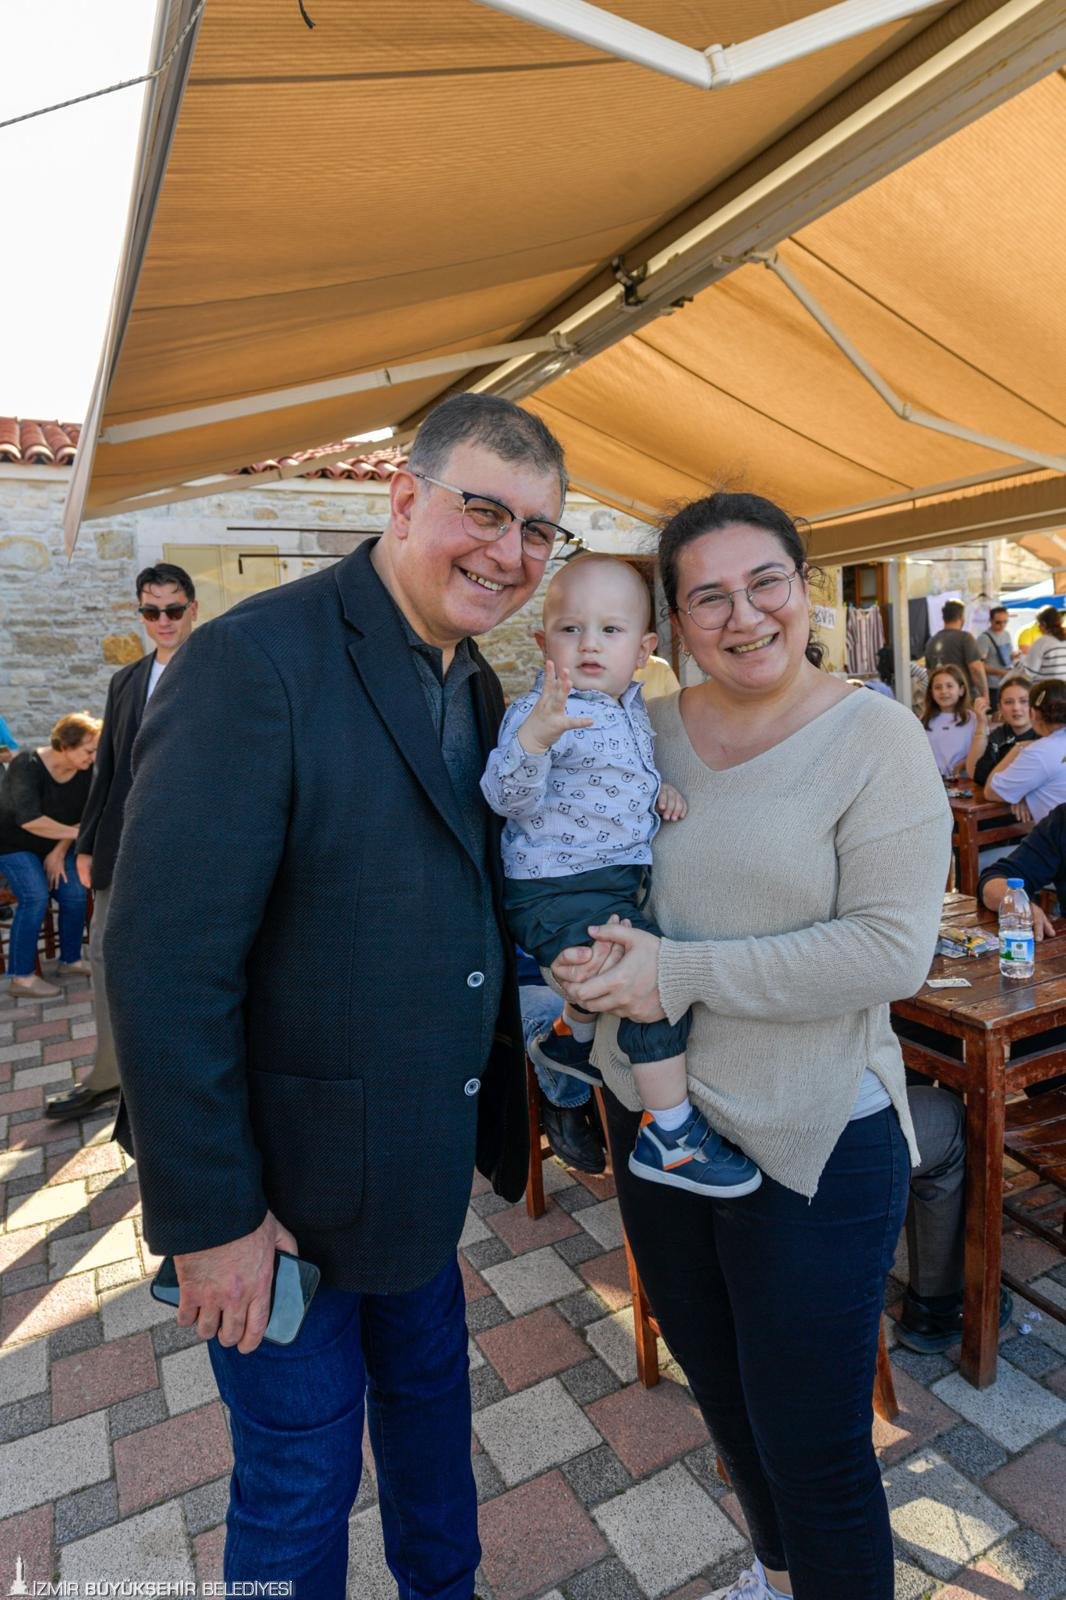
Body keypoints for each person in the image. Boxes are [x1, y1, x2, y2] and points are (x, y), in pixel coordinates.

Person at [104, 393, 573, 1600]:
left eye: (538, 530)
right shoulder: (251, 659)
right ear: (403, 498)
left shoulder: (476, 683)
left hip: (416, 1183)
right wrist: (211, 1217)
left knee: (432, 1442)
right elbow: (161, 965)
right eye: (485, 511)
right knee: (298, 1489)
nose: (510, 552)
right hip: (279, 1212)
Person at [550, 491, 950, 1600]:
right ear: (673, 623)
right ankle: (776, 1581)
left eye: (765, 582)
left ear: (804, 587)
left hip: (811, 1135)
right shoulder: (644, 726)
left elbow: (890, 952)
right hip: (660, 1122)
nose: (744, 614)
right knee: (723, 1396)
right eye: (708, 596)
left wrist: (673, 972)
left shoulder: (875, 737)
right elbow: (577, 856)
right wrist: (574, 957)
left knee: (814, 1443)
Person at [481, 552, 760, 1198]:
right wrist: (535, 740)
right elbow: (505, 797)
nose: (588, 644)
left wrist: (657, 791)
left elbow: (611, 779)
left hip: (605, 882)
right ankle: (672, 1135)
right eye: (570, 629)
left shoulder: (630, 706)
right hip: (556, 887)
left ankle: (567, 1039)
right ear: (542, 642)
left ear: (643, 650)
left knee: (611, 963)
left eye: (609, 630)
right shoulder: (541, 711)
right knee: (651, 984)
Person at [45, 564, 198, 1121]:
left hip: (194, 848)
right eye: (151, 611)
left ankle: (183, 1082)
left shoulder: (221, 670)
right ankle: (109, 1076)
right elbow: (106, 769)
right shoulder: (126, 681)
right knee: (105, 954)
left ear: (193, 609)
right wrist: (86, 842)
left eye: (173, 609)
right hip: (124, 844)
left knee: (187, 962)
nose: (163, 620)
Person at [0, 712, 101, 999]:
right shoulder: (26, 764)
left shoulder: (87, 772)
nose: (94, 757)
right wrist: (79, 835)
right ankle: (21, 977)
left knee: (75, 893)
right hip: (12, 845)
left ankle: (70, 961)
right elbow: (29, 820)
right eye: (89, 750)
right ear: (66, 746)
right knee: (35, 896)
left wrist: (59, 852)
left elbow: (84, 816)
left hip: (55, 845)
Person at [518, 953, 605, 1173]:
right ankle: (566, 1105)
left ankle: (612, 1111)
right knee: (554, 1014)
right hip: (517, 984)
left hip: (566, 974)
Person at [985, 676, 1066, 823]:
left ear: (1032, 713)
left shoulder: (1039, 751)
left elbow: (991, 791)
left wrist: (1018, 747)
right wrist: (1023, 795)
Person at [964, 673, 1034, 788]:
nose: (1016, 708)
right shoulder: (998, 735)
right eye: (1008, 702)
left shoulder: (1044, 737)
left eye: (1023, 701)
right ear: (1000, 708)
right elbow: (975, 774)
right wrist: (981, 723)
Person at [925, 598, 987, 698]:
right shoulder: (965, 638)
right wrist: (985, 695)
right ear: (961, 617)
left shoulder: (931, 641)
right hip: (964, 697)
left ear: (944, 618)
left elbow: (930, 674)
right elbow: (976, 669)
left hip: (942, 698)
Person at [922, 664, 976, 778]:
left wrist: (965, 763)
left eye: (949, 686)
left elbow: (980, 751)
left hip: (963, 781)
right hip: (932, 780)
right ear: (931, 692)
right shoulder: (924, 720)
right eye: (938, 687)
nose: (943, 691)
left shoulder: (973, 719)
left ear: (961, 690)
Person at [975, 605, 1014, 712]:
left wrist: (1014, 657)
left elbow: (1008, 655)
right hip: (992, 686)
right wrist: (1001, 672)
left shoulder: (1006, 634)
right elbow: (980, 665)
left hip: (1006, 682)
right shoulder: (984, 638)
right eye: (998, 622)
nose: (1002, 625)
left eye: (1005, 622)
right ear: (991, 621)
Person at [1024, 604, 1066, 681]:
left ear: (1043, 624)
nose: (1038, 627)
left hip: (1047, 687)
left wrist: (1016, 661)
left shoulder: (1041, 643)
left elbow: (1029, 673)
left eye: (1038, 623)